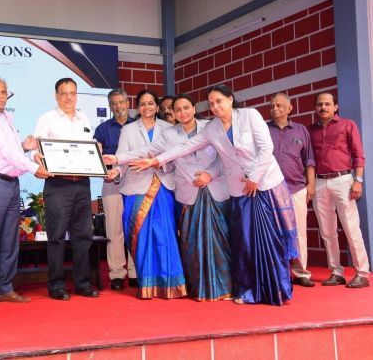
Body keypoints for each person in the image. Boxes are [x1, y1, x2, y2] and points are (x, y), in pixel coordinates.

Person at [106, 84, 298, 306]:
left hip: (262, 185)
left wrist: (253, 177)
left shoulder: (249, 116)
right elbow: (183, 148)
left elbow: (266, 149)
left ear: (230, 99)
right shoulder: (212, 129)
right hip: (237, 190)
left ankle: (276, 290)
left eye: (219, 101)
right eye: (212, 103)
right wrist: (141, 160)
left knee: (268, 239)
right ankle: (249, 291)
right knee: (246, 241)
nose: (215, 106)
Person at [0, 76, 52, 308]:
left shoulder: (6, 118)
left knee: (9, 240)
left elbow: (13, 151)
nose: (0, 96)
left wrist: (26, 148)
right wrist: (34, 167)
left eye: (3, 92)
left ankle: (4, 287)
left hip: (11, 183)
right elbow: (5, 152)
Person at [108, 90, 187, 300]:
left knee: (165, 235)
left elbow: (175, 160)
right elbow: (122, 157)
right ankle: (147, 284)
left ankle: (170, 284)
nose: (147, 107)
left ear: (157, 106)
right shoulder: (128, 130)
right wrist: (116, 172)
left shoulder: (169, 128)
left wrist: (161, 166)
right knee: (141, 236)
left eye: (151, 103)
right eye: (142, 104)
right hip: (136, 187)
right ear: (137, 107)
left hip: (162, 186)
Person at [159, 93, 232, 301]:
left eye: (186, 108)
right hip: (188, 194)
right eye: (177, 109)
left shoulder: (211, 127)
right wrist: (155, 165)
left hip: (215, 191)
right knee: (191, 243)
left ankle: (225, 288)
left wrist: (210, 174)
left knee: (221, 242)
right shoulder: (168, 135)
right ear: (173, 113)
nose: (182, 112)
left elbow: (226, 158)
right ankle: (198, 288)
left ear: (194, 108)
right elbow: (168, 163)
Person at [33, 77, 99, 300]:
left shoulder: (84, 118)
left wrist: (96, 149)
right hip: (58, 184)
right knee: (57, 237)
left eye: (72, 93)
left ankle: (82, 283)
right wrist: (35, 158)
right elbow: (35, 148)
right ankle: (56, 285)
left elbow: (88, 147)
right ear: (56, 96)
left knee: (83, 236)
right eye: (64, 93)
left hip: (82, 183)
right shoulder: (47, 119)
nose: (69, 97)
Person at [308, 92, 370, 288]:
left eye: (327, 104)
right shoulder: (310, 130)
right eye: (320, 104)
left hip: (343, 180)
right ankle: (336, 271)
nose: (323, 107)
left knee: (351, 228)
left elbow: (359, 155)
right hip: (319, 182)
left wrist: (358, 180)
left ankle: (362, 273)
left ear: (335, 107)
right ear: (315, 108)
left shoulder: (347, 125)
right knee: (327, 231)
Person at [268, 93, 316, 287]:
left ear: (290, 108)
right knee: (273, 232)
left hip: (296, 188)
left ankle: (301, 272)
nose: (275, 109)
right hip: (270, 190)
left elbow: (309, 159)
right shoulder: (263, 129)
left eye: (279, 105)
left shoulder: (301, 130)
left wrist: (311, 185)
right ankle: (278, 272)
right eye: (272, 106)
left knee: (299, 232)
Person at [93, 88, 137, 290]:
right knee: (114, 229)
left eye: (121, 102)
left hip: (135, 179)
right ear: (110, 106)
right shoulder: (102, 129)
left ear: (128, 103)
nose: (118, 106)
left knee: (134, 227)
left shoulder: (137, 126)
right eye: (114, 103)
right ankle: (117, 274)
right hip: (111, 181)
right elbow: (94, 156)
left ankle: (135, 272)